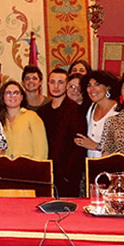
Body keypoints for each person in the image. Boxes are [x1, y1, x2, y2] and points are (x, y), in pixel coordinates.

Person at [36, 68, 87, 197]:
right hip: (46, 173)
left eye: (60, 82)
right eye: (52, 82)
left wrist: (67, 174)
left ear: (67, 85)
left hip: (68, 176)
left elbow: (79, 145)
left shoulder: (75, 110)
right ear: (47, 84)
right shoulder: (42, 112)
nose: (56, 86)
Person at [0, 81, 48, 159]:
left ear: (22, 97)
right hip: (5, 168)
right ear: (3, 97)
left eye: (16, 93)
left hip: (28, 167)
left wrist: (37, 168)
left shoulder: (32, 117)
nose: (12, 96)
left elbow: (41, 148)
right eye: (8, 93)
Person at [74, 70, 119, 158]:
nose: (92, 89)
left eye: (97, 84)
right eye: (89, 85)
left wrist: (95, 146)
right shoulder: (91, 108)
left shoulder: (118, 111)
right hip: (90, 166)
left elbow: (123, 146)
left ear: (107, 87)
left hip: (111, 167)